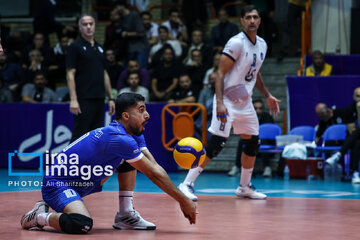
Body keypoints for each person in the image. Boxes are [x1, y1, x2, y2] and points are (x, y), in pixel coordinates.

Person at [20, 93, 197, 234]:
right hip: (57, 184)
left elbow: (153, 166)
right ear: (126, 116)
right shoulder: (119, 138)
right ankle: (40, 216)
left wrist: (181, 198)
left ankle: (125, 214)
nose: (147, 114)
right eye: (141, 110)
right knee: (81, 224)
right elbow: (153, 174)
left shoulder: (132, 133)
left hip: (82, 181)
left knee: (133, 160)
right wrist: (183, 200)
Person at [178, 5, 280, 201]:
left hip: (245, 101)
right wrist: (219, 102)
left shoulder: (262, 45)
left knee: (252, 142)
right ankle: (186, 183)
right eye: (248, 17)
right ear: (242, 20)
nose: (252, 20)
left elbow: (254, 73)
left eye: (255, 17)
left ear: (259, 20)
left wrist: (267, 94)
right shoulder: (236, 43)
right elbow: (220, 73)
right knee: (216, 144)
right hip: (226, 100)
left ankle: (244, 187)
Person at [66, 15, 115, 143]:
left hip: (99, 97)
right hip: (83, 98)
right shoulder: (75, 47)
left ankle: (92, 164)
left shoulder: (100, 48)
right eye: (85, 24)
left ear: (95, 26)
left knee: (96, 135)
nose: (88, 27)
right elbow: (70, 73)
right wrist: (73, 99)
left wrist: (110, 98)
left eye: (91, 24)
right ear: (80, 27)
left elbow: (104, 73)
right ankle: (67, 163)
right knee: (80, 135)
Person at [228, 99, 275, 177]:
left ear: (263, 109)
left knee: (263, 140)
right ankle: (237, 167)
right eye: (256, 108)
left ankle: (267, 167)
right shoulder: (247, 117)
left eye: (260, 108)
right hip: (251, 144)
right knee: (241, 141)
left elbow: (270, 133)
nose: (258, 111)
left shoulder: (268, 117)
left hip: (264, 144)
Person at [115, 3, 149, 68]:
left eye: (116, 7)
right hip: (129, 49)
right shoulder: (121, 18)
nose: (116, 10)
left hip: (140, 48)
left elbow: (141, 32)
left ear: (122, 6)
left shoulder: (134, 14)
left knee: (140, 69)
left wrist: (127, 34)